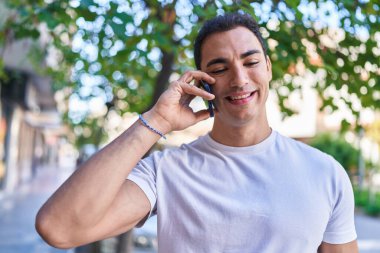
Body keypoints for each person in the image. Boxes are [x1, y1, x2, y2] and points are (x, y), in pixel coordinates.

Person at [36, 12, 358, 253]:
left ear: (269, 69)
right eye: (219, 68)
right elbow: (58, 227)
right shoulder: (166, 171)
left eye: (251, 62)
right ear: (203, 83)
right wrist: (157, 121)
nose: (239, 78)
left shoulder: (325, 173)